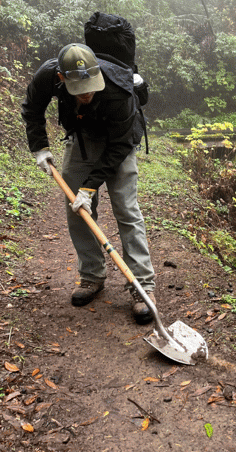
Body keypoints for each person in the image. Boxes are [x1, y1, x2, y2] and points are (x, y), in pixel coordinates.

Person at [21, 42, 155, 323]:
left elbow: (119, 146)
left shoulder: (119, 88)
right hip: (81, 140)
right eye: (80, 91)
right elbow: (32, 107)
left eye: (92, 86)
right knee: (77, 210)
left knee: (127, 210)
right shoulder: (48, 76)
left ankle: (142, 285)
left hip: (119, 144)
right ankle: (92, 276)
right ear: (62, 79)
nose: (88, 94)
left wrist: (90, 186)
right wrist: (40, 147)